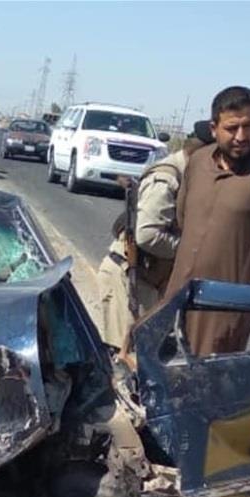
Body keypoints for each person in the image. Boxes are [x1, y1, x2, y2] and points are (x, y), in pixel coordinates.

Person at [162, 86, 250, 356]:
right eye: (232, 128)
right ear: (214, 127)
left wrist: (249, 271)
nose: (241, 136)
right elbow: (183, 218)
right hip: (178, 292)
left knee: (208, 376)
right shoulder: (199, 161)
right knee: (164, 367)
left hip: (225, 304)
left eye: (248, 126)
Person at [97, 121, 215, 350]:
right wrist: (190, 250)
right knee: (127, 362)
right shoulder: (168, 179)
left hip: (148, 283)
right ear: (201, 153)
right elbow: (148, 234)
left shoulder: (187, 176)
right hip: (130, 280)